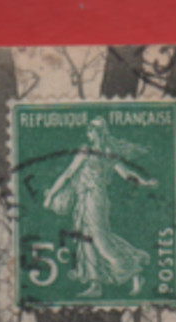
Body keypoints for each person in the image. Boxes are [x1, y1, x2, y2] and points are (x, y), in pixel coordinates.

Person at [41, 118, 159, 298]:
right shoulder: (107, 153)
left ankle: (134, 271)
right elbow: (127, 174)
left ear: (98, 133)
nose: (88, 135)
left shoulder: (90, 152)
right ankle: (95, 285)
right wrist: (144, 181)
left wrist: (50, 196)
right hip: (85, 200)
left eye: (90, 131)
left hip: (94, 199)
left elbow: (67, 175)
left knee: (101, 241)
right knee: (85, 240)